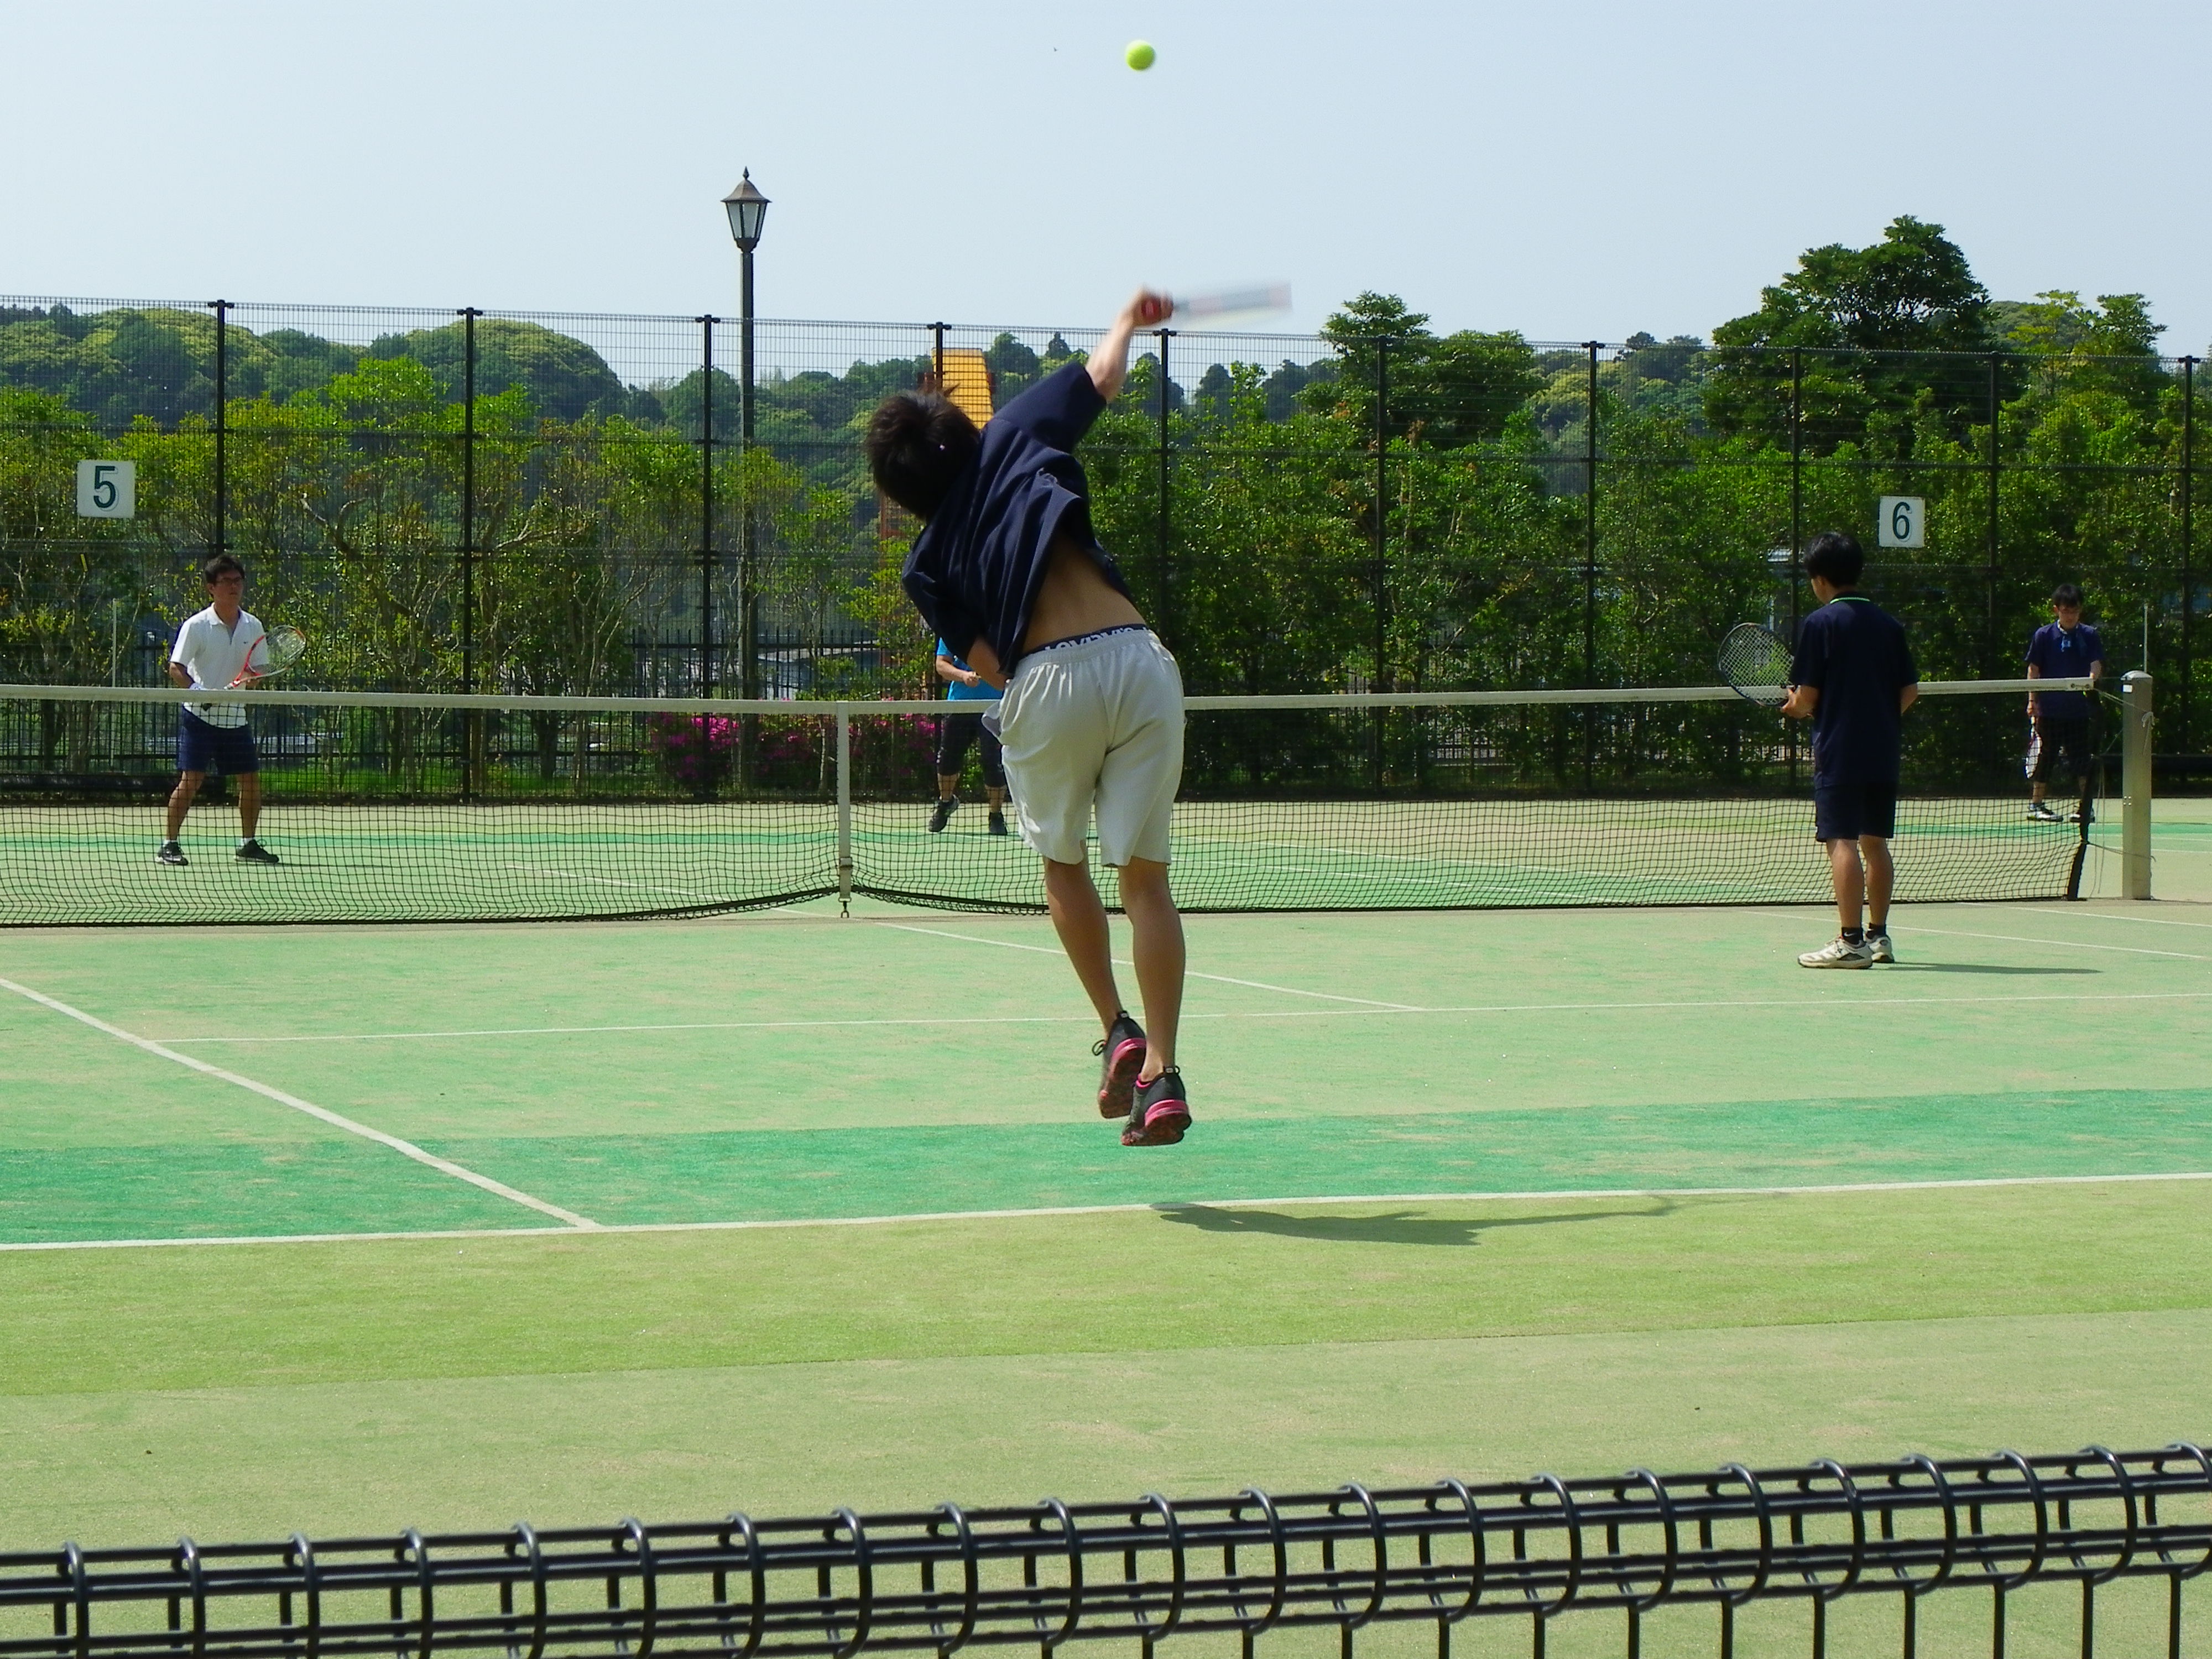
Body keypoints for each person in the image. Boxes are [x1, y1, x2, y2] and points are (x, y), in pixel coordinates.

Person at [867, 290, 1190, 1147]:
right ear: (966, 431)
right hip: (1140, 658)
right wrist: (1127, 319)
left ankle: (1117, 1028)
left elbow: (989, 667)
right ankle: (1163, 1071)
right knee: (1146, 882)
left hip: (1045, 679)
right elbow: (1104, 373)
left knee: (1063, 866)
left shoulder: (925, 562)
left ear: (902, 494)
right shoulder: (1014, 429)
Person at [1779, 531, 1918, 968]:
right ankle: (1879, 938)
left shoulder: (1820, 623)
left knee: (1840, 840)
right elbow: (1910, 691)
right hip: (1883, 750)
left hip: (1839, 751)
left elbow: (1807, 699)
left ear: (1820, 579)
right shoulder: (1888, 625)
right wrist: (1875, 716)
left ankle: (1850, 941)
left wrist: (1796, 707)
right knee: (1874, 843)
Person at [160, 554, 279, 867]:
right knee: (192, 780)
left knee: (251, 781)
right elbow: (176, 667)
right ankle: (169, 844)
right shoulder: (197, 626)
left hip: (235, 718)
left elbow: (259, 669)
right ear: (211, 588)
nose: (234, 587)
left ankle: (248, 843)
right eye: (226, 582)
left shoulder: (253, 625)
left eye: (238, 581)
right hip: (198, 717)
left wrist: (252, 680)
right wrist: (198, 693)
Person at [2025, 582, 2105, 823]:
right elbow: (2034, 669)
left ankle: (2086, 808)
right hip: (2049, 711)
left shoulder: (2089, 635)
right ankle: (2036, 806)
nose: (2070, 615)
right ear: (2056, 610)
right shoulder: (2043, 635)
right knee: (2045, 758)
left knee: (2081, 760)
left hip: (2078, 712)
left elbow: (2096, 663)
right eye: (2066, 610)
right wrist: (2032, 701)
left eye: (2075, 611)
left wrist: (2091, 680)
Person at [930, 637, 1009, 834]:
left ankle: (996, 815)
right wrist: (963, 676)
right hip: (959, 706)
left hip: (993, 707)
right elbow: (941, 665)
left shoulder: (998, 630)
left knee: (993, 761)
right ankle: (946, 802)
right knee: (947, 760)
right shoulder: (952, 629)